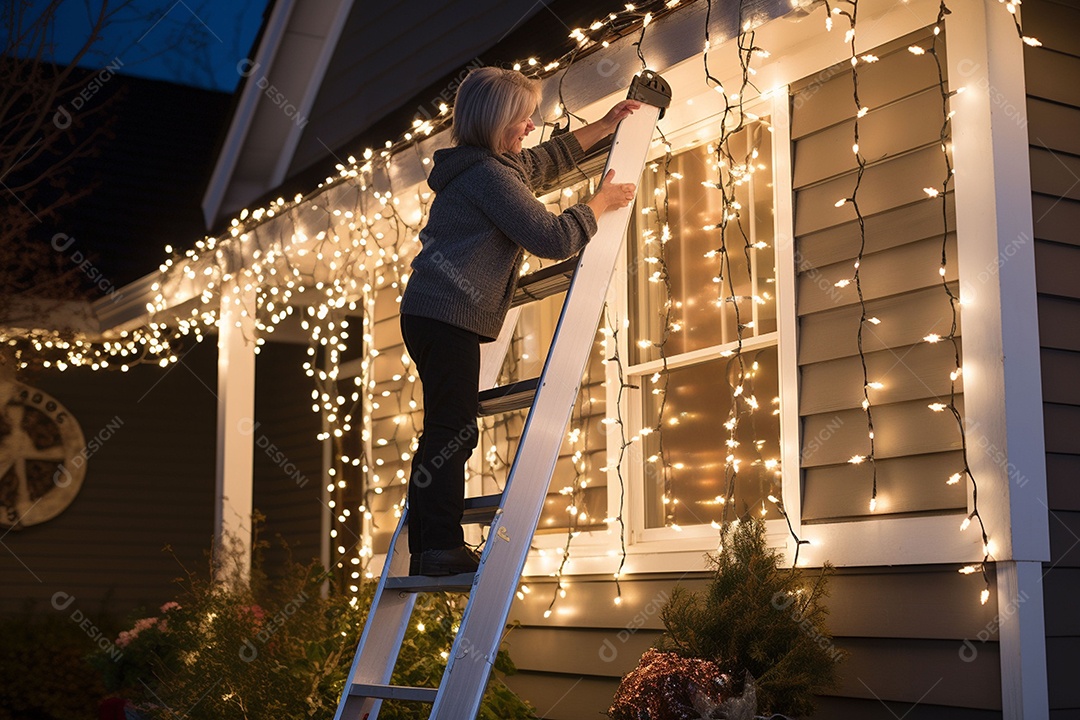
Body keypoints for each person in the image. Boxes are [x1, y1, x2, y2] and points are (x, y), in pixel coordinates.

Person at [400, 66, 639, 577]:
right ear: (494, 122)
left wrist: (604, 125)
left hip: (435, 313)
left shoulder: (484, 166)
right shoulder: (488, 175)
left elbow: (543, 161)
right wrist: (600, 203)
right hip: (444, 315)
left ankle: (429, 542)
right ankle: (437, 545)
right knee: (454, 429)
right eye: (523, 119)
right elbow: (551, 238)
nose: (531, 127)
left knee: (448, 427)